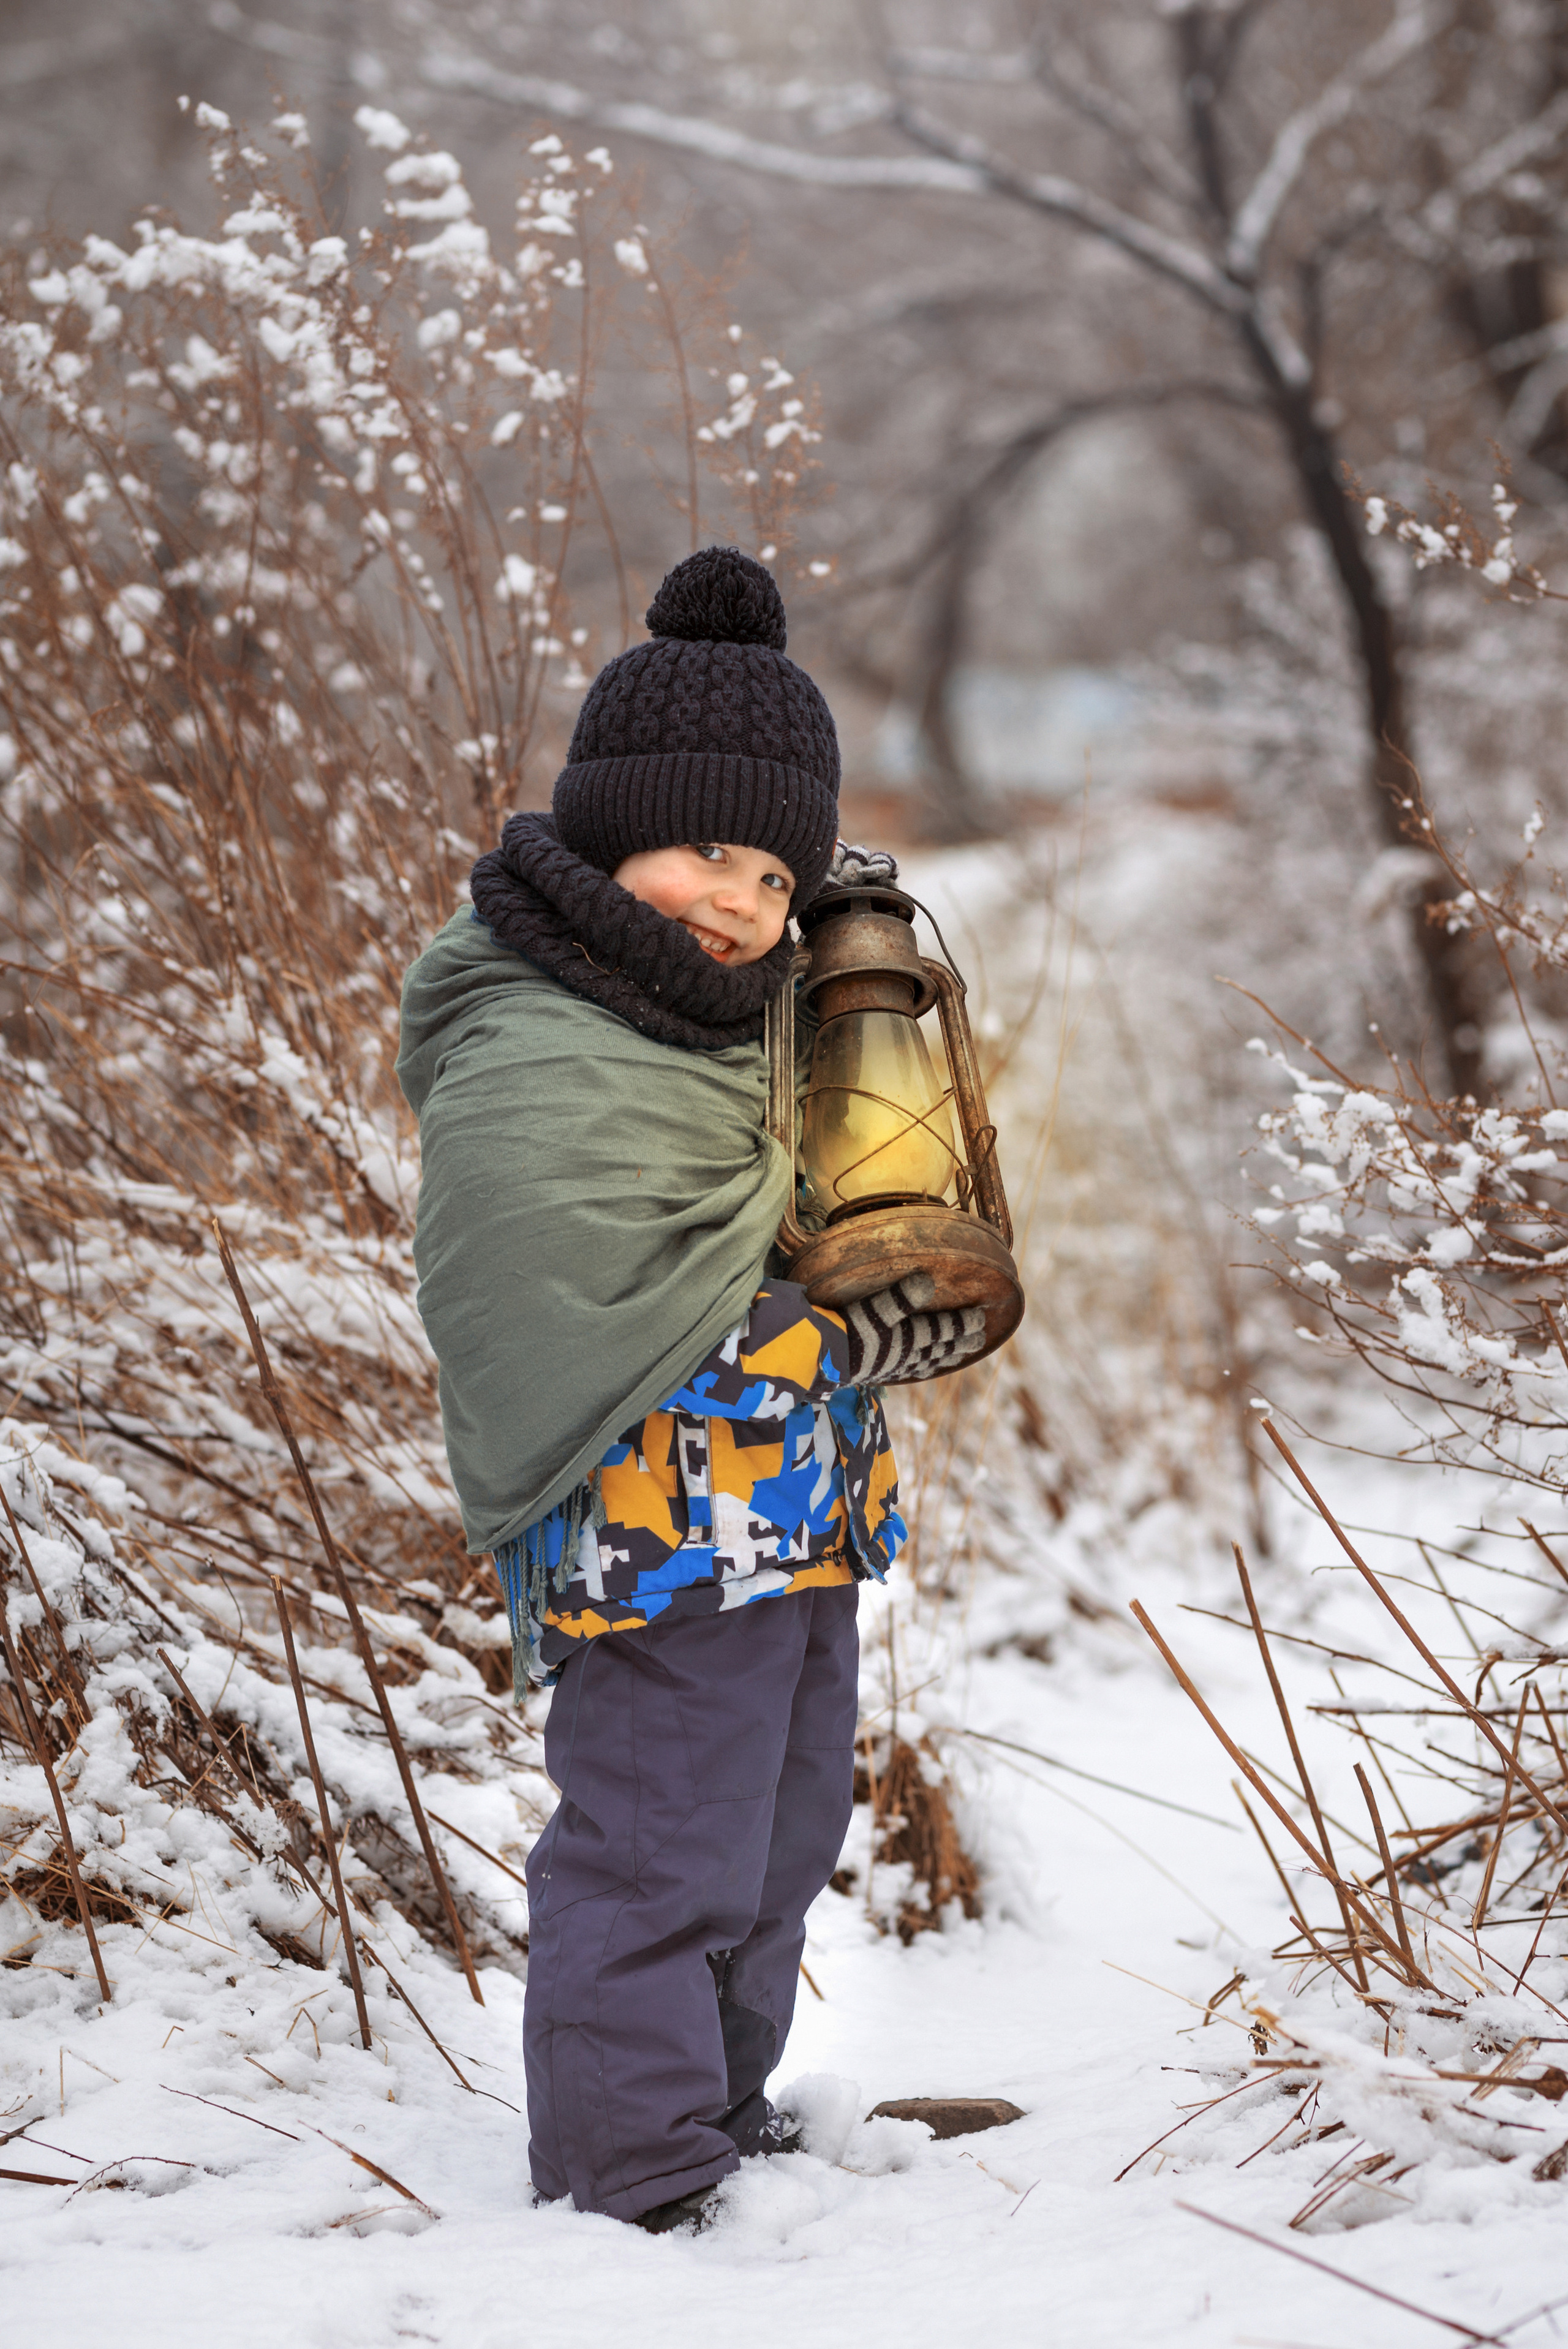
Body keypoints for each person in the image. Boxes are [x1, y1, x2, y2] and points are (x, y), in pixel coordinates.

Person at [398, 545, 982, 2233]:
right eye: (708, 852)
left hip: (790, 1511)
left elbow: (798, 1235)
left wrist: (882, 1296)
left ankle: (712, 2111)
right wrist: (823, 1339)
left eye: (774, 871)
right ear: (610, 830)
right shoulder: (539, 1034)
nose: (739, 898)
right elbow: (538, 1280)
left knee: (777, 1841)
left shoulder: (744, 1021)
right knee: (660, 1849)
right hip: (653, 1527)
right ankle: (628, 2169)